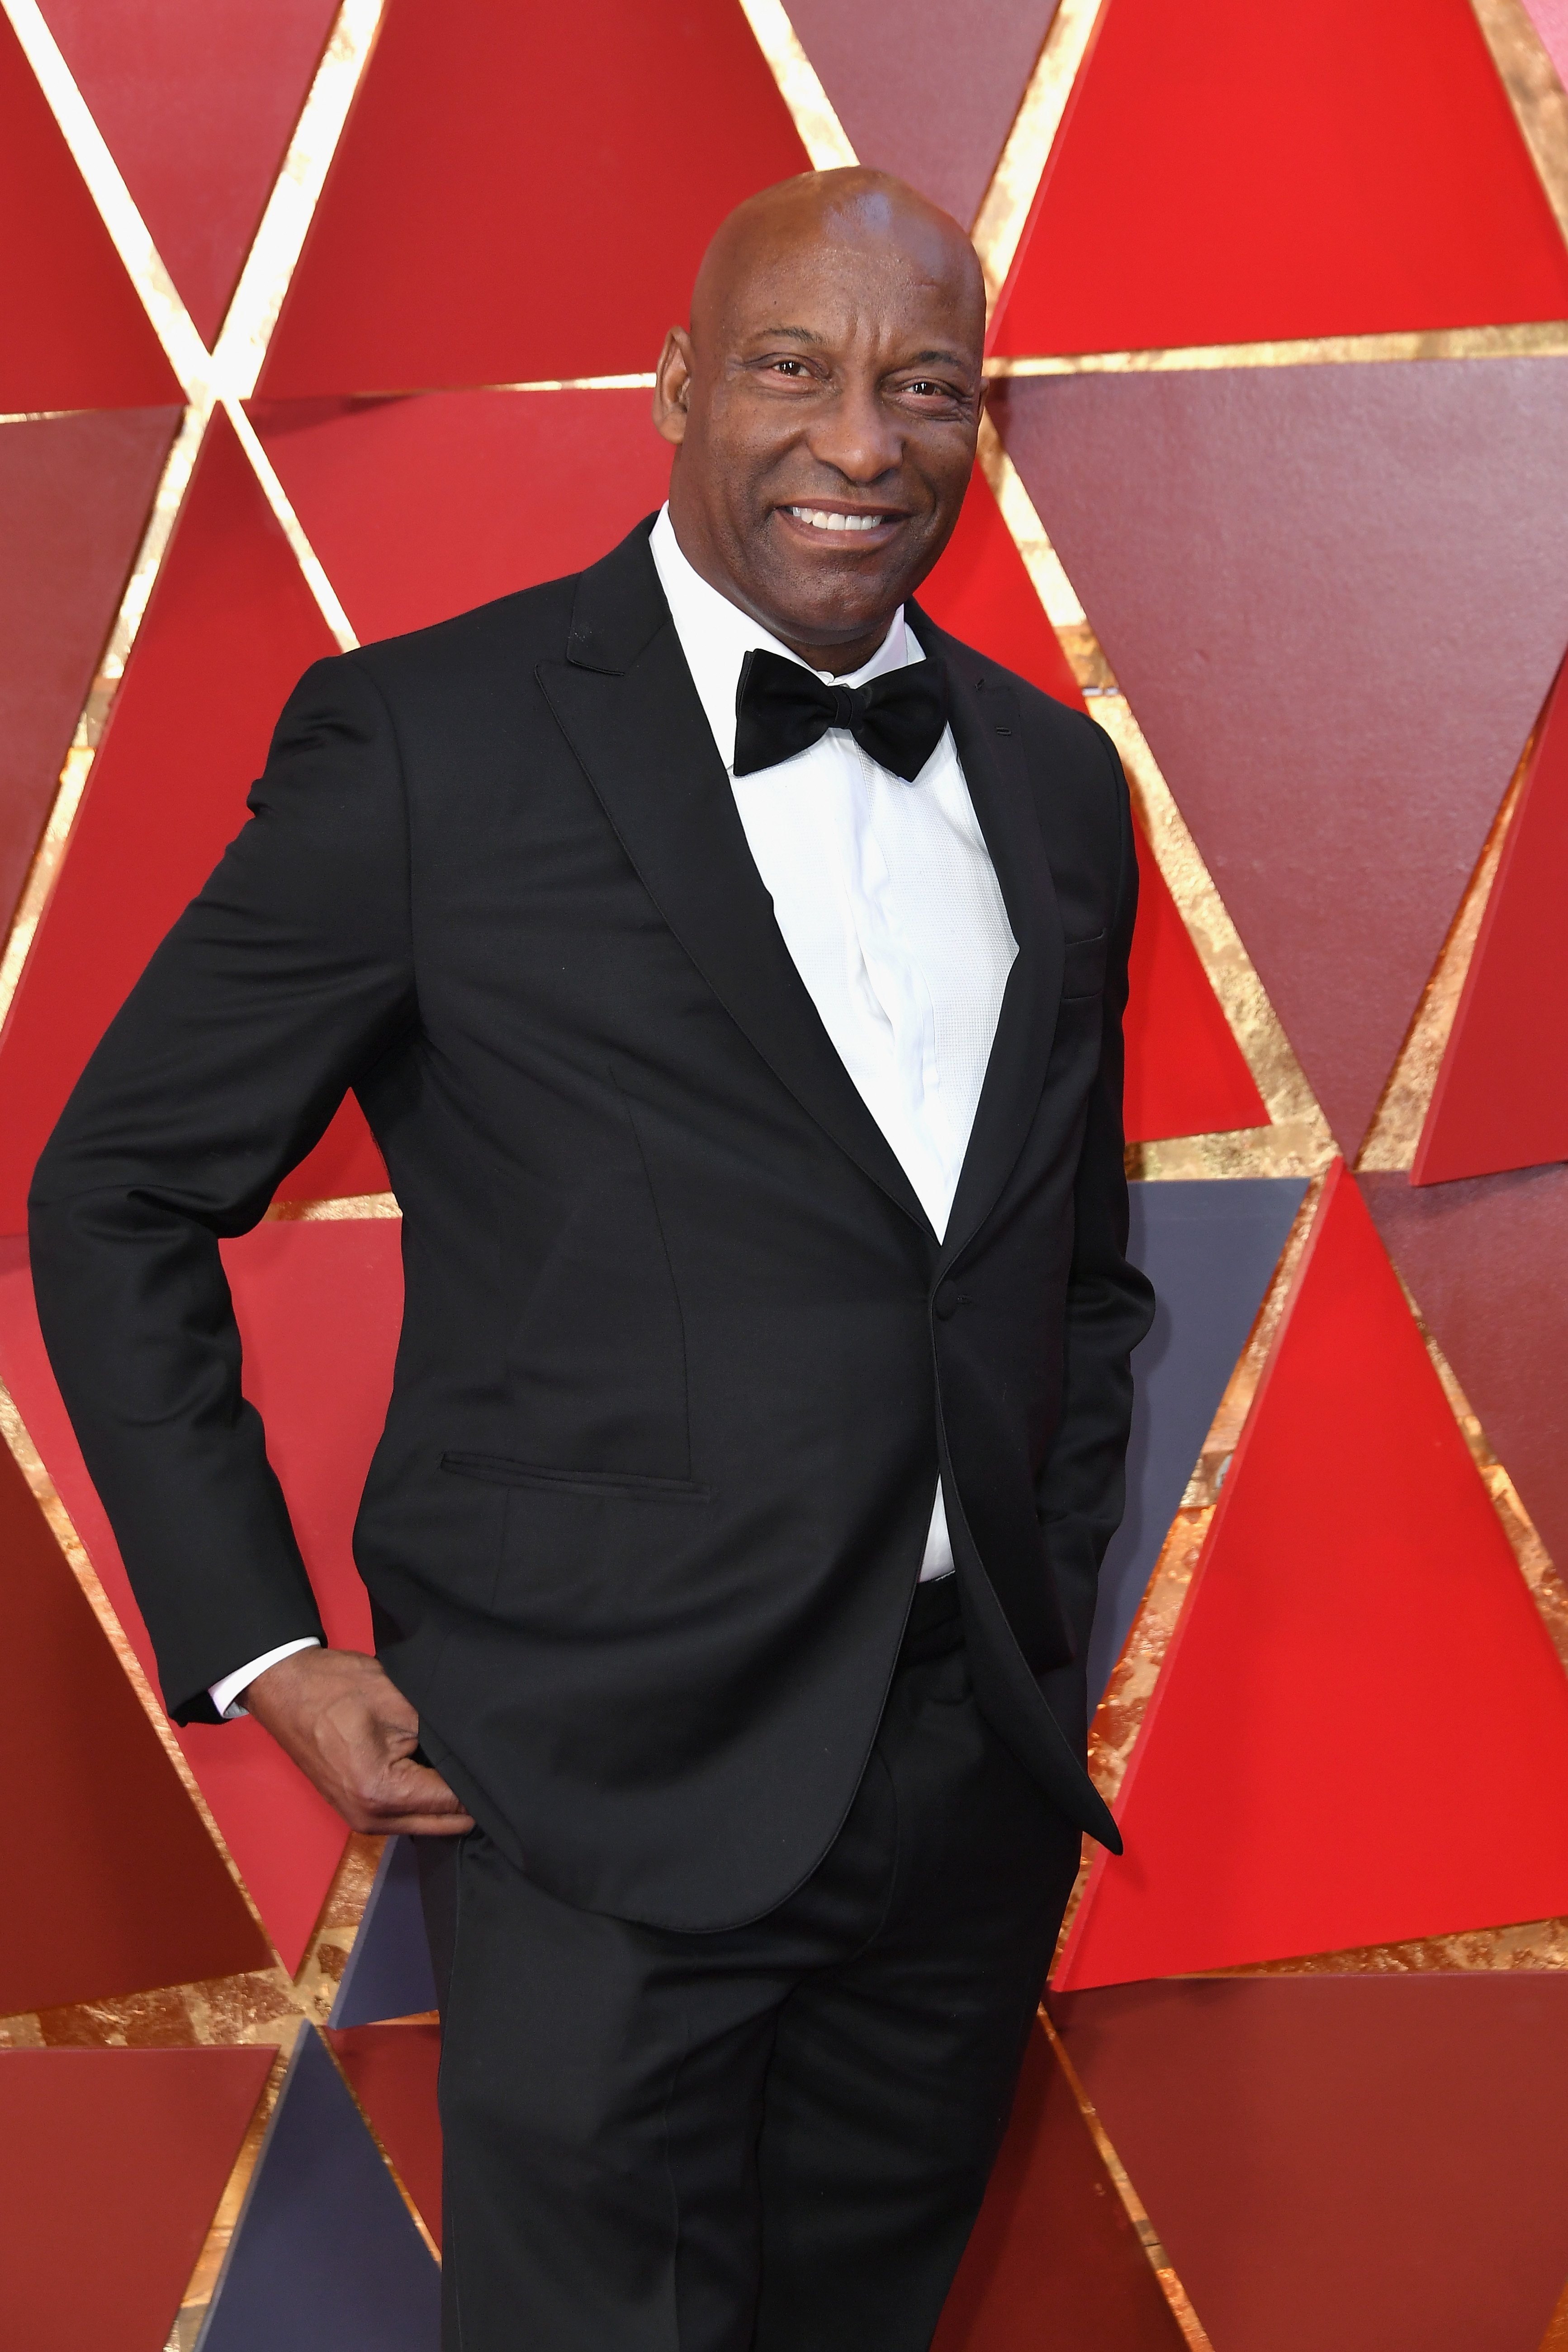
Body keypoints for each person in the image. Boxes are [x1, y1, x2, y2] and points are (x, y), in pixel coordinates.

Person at [30, 168, 1154, 2350]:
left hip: (962, 1785)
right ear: (670, 389)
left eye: (925, 386)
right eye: (793, 370)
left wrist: (1039, 1599)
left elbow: (1073, 1273)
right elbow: (115, 1188)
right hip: (593, 1779)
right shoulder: (427, 747)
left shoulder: (1052, 779)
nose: (861, 441)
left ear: (981, 426)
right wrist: (264, 1642)